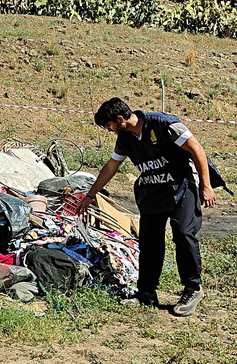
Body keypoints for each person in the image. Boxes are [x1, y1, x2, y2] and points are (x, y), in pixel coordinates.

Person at [77, 98, 216, 317]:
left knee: (183, 233)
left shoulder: (163, 124)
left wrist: (206, 186)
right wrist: (90, 194)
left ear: (120, 119)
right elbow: (112, 166)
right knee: (150, 242)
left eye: (109, 125)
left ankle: (193, 288)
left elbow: (196, 148)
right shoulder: (125, 138)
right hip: (152, 192)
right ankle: (146, 293)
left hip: (182, 186)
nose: (109, 130)